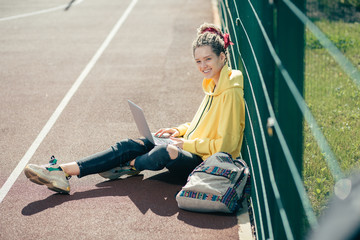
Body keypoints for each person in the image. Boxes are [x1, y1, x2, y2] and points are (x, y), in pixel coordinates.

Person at [24, 23, 245, 194]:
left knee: (162, 151)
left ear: (222, 57)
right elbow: (203, 124)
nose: (203, 66)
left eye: (208, 59)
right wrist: (177, 131)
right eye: (198, 61)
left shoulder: (230, 91)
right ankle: (62, 171)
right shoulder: (214, 84)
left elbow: (225, 145)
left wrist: (183, 143)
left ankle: (128, 165)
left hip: (205, 163)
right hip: (190, 147)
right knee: (132, 143)